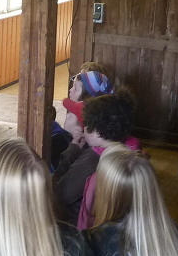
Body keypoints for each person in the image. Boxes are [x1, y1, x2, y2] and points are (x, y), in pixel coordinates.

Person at [53, 93, 139, 228]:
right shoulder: (133, 152)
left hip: (83, 230)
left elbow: (60, 195)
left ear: (97, 132)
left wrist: (72, 152)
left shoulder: (92, 160)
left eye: (86, 125)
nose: (83, 128)